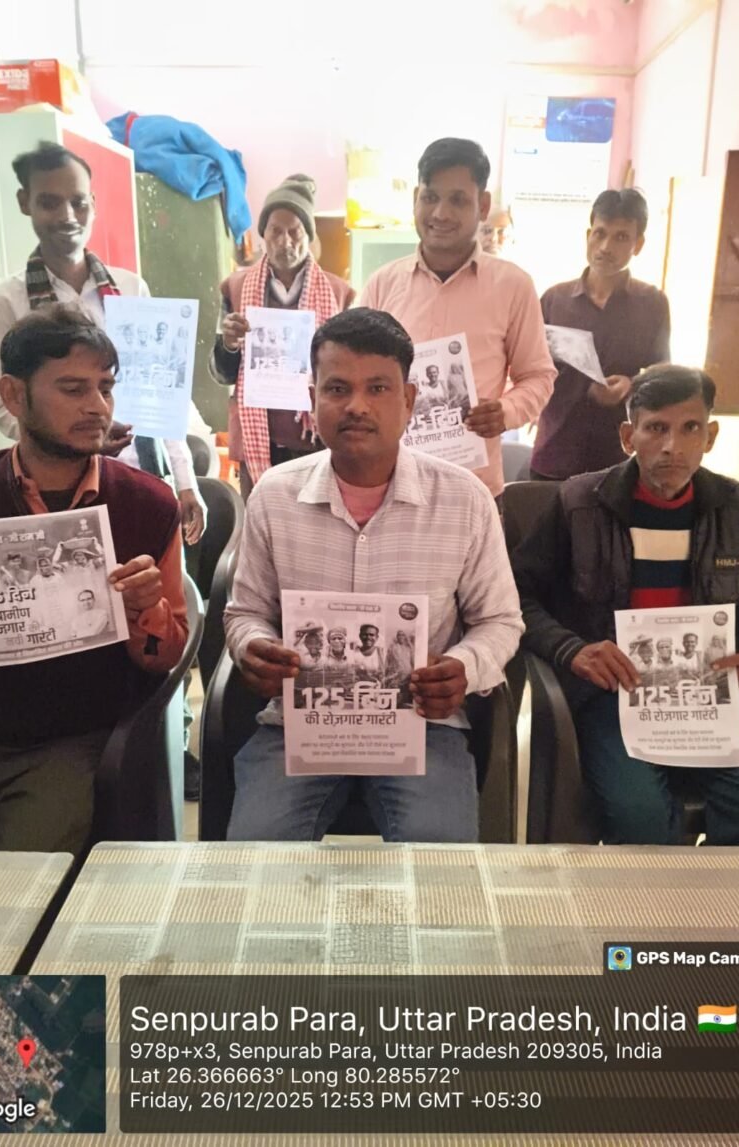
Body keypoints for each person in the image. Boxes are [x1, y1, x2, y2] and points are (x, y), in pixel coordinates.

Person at [222, 307, 524, 842]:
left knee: (439, 865)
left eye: (378, 388)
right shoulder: (274, 495)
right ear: (312, 397)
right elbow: (245, 611)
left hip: (421, 726)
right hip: (302, 725)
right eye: (337, 388)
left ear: (408, 400)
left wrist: (464, 667)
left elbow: (500, 621)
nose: (357, 406)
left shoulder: (465, 500)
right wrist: (253, 646)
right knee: (255, 860)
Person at [0, 307, 188, 854]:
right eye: (73, 389)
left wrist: (146, 610)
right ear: (13, 395)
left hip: (68, 739)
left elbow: (164, 658)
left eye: (105, 388)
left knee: (26, 875)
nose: (97, 406)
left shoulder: (146, 504)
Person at [512, 364, 739, 845]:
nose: (672, 447)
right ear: (628, 436)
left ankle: (719, 894)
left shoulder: (735, 508)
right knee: (637, 814)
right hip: (614, 699)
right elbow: (515, 596)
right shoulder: (578, 504)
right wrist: (572, 650)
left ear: (710, 436)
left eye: (690, 428)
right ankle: (653, 894)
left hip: (713, 702)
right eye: (656, 428)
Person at [0, 141, 205, 546]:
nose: (67, 216)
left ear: (94, 204)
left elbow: (161, 390)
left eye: (78, 202)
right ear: (24, 202)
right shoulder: (5, 302)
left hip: (144, 475)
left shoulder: (130, 287)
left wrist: (186, 480)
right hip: (57, 489)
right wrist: (79, 437)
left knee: (154, 579)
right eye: (50, 202)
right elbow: (3, 405)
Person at [360, 138, 555, 508]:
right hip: (389, 486)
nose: (441, 213)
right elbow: (356, 372)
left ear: (483, 205)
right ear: (415, 198)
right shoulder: (382, 285)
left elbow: (538, 376)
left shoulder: (513, 286)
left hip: (474, 491)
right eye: (431, 197)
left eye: (458, 200)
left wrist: (505, 412)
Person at [211, 174, 356, 499]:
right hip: (258, 441)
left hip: (316, 443)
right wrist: (229, 344)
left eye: (295, 232)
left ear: (309, 237)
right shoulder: (235, 288)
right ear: (263, 235)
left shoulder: (338, 293)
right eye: (275, 231)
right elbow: (221, 374)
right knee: (263, 522)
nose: (285, 241)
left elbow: (348, 371)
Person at [531, 189, 671, 481]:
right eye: (600, 234)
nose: (606, 247)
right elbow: (530, 367)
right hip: (555, 451)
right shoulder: (554, 300)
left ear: (638, 244)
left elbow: (662, 375)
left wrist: (631, 386)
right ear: (588, 236)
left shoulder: (652, 304)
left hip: (617, 456)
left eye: (621, 237)